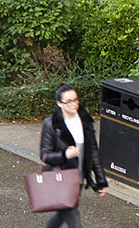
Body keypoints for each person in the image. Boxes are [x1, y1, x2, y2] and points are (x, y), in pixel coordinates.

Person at [37, 84, 107, 228]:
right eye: (68, 101)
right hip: (60, 178)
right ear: (59, 103)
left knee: (62, 214)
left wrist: (100, 180)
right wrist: (65, 154)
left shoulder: (85, 120)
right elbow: (44, 155)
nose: (73, 104)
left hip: (79, 178)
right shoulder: (51, 124)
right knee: (74, 220)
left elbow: (93, 152)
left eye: (75, 100)